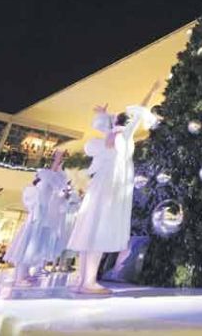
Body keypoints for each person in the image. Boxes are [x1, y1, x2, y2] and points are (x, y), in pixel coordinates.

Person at [67, 80, 162, 294]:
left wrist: (104, 115)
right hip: (112, 188)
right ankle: (89, 283)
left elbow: (119, 120)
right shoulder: (124, 135)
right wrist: (152, 91)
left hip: (100, 187)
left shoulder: (108, 136)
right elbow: (139, 112)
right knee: (100, 230)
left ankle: (83, 281)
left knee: (90, 231)